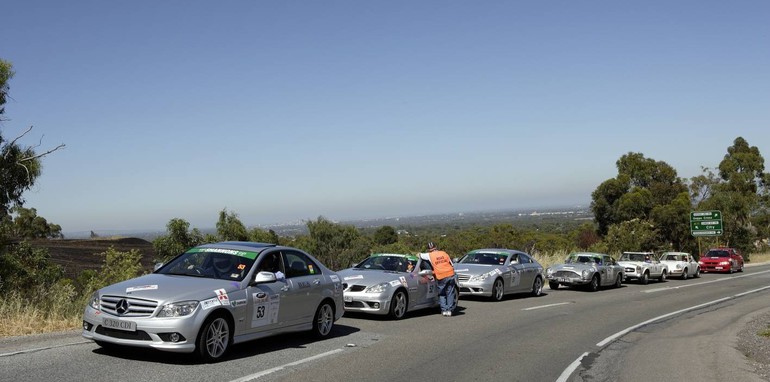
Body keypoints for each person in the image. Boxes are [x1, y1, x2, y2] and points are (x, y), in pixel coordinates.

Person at [426, 242, 457, 317]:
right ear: (436, 247)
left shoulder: (429, 255)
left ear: (428, 249)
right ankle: (449, 310)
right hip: (450, 274)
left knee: (442, 293)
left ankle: (444, 310)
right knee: (450, 292)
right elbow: (451, 264)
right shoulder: (444, 253)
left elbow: (419, 255)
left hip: (441, 276)